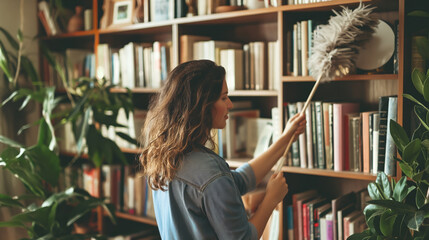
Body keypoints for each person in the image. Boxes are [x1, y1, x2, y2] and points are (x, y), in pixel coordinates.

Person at [140, 60, 306, 239]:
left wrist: (286, 138)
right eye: (223, 98)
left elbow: (239, 181)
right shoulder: (211, 172)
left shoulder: (164, 156)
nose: (230, 105)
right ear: (202, 105)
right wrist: (270, 200)